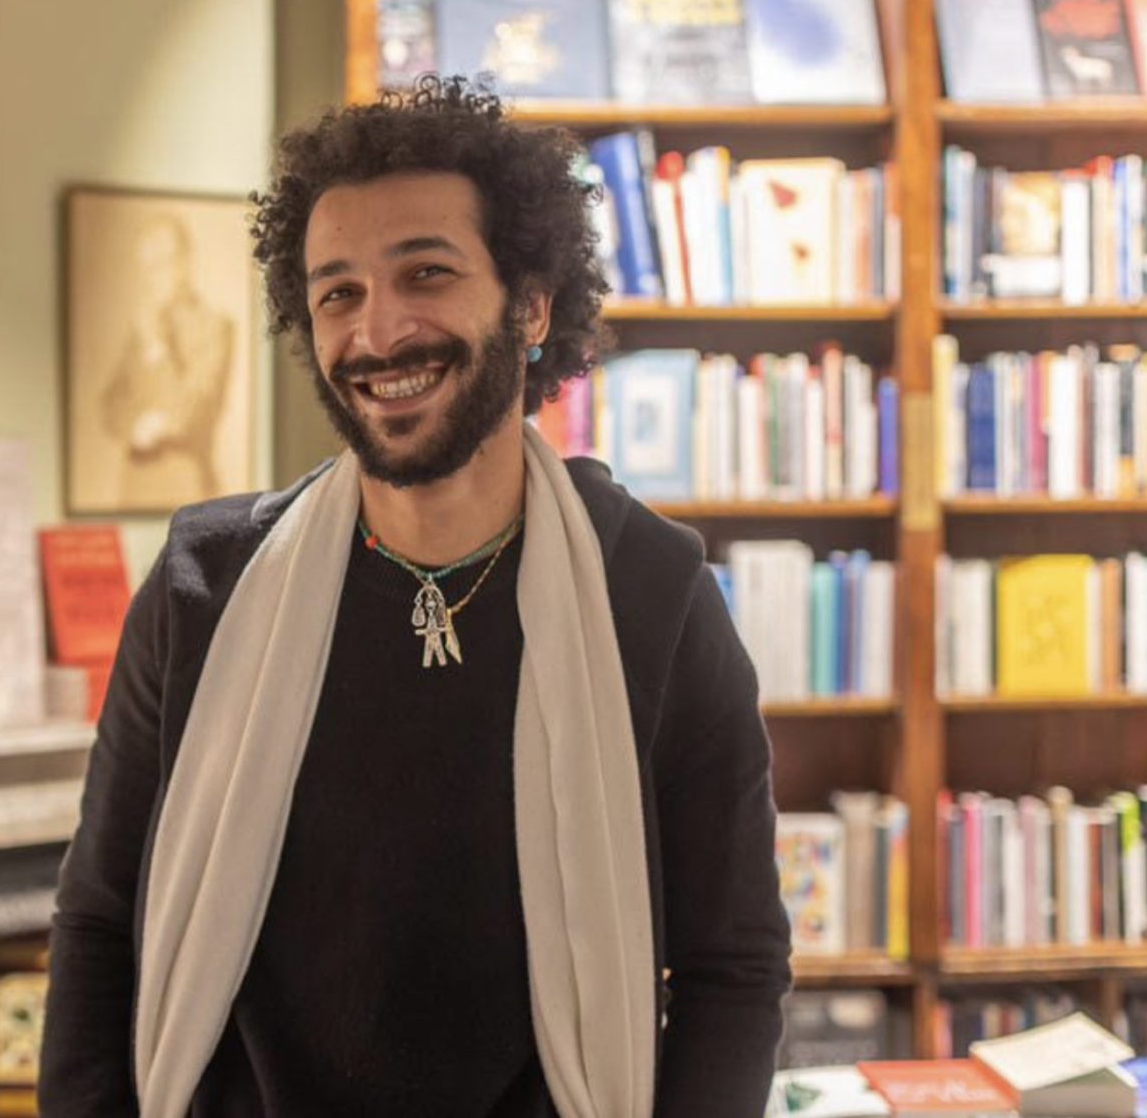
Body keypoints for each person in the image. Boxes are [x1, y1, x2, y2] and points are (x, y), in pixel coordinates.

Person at [42, 75, 792, 1117]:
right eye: (338, 292)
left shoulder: (653, 597)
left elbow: (732, 966)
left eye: (426, 273)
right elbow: (98, 924)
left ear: (530, 305)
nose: (379, 331)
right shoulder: (201, 589)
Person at [99, 215, 235, 508]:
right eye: (147, 267)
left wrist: (157, 349)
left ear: (184, 262)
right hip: (134, 485)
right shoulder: (142, 326)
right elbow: (110, 403)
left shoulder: (213, 327)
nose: (153, 277)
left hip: (187, 487)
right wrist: (135, 426)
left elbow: (191, 414)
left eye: (161, 263)